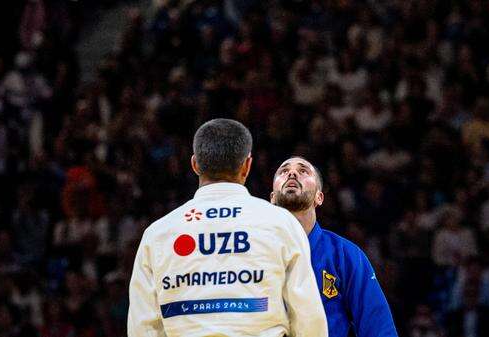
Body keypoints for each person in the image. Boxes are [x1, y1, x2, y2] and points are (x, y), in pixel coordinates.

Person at [128, 119, 327, 337]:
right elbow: (309, 319)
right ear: (247, 165)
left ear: (195, 165)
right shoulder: (281, 223)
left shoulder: (158, 234)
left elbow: (143, 326)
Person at [271, 156, 398, 337]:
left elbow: (378, 329)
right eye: (284, 171)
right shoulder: (252, 252)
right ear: (272, 197)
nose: (292, 173)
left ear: (319, 197)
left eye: (303, 171)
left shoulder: (346, 255)